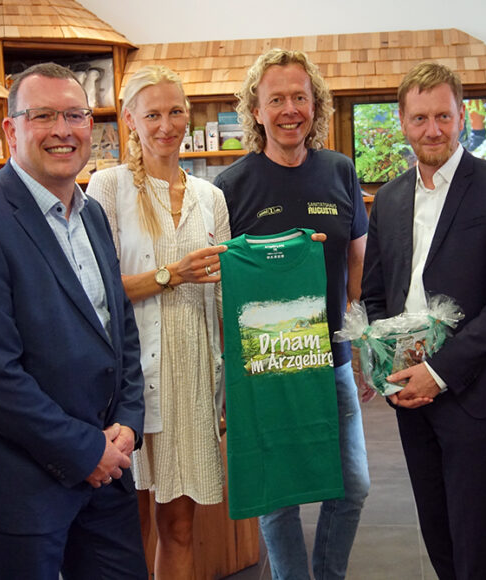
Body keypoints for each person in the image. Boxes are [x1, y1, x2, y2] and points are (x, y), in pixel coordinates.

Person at [0, 62, 147, 579]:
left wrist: (129, 425)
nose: (62, 130)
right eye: (43, 115)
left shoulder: (91, 212)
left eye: (75, 115)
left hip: (104, 472)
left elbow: (119, 332)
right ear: (11, 128)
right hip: (20, 486)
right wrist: (83, 450)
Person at [361, 62, 486, 579]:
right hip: (408, 392)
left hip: (471, 390)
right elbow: (374, 295)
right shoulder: (388, 198)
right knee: (436, 528)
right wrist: (390, 367)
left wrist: (437, 373)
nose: (431, 129)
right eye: (419, 118)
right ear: (402, 122)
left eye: (442, 116)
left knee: (474, 537)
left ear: (463, 116)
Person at [213, 48, 370, 580]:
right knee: (279, 496)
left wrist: (362, 342)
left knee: (353, 485)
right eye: (275, 98)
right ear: (255, 110)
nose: (288, 109)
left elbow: (356, 267)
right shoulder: (230, 186)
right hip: (267, 365)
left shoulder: (340, 171)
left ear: (314, 105)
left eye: (298, 97)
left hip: (333, 359)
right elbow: (219, 284)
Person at [86, 65, 230, 580]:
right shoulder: (107, 189)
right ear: (130, 121)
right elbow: (95, 291)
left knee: (180, 528)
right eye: (153, 114)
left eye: (175, 112)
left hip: (192, 380)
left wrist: (286, 261)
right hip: (131, 384)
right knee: (127, 530)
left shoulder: (210, 197)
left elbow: (223, 294)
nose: (166, 125)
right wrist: (171, 275)